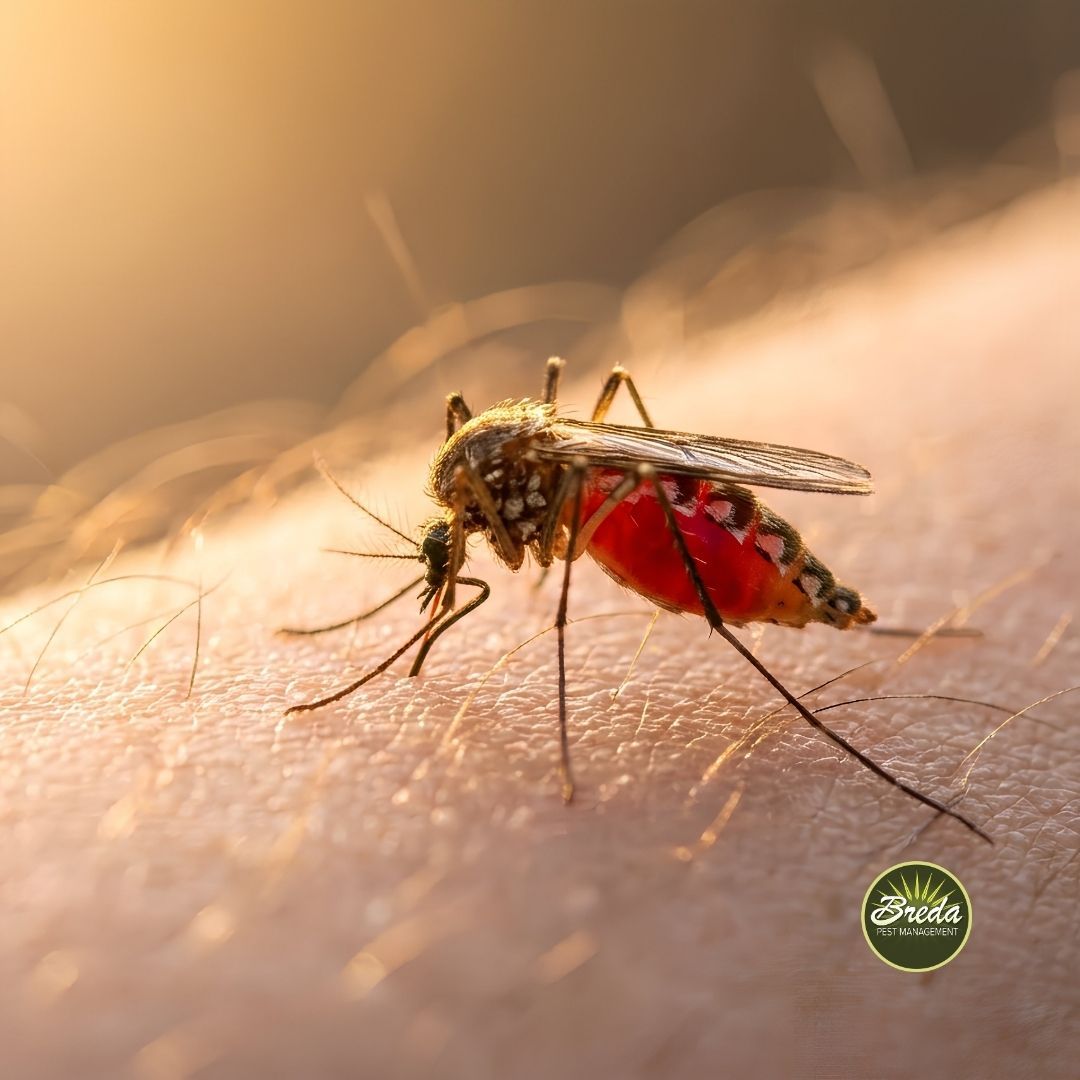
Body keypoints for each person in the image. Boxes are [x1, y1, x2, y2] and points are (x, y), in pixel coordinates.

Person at [1, 185, 1076, 1079]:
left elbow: (546, 527)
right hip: (617, 492)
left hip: (666, 511)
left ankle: (801, 634)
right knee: (599, 467)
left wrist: (661, 485)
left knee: (603, 488)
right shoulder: (475, 490)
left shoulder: (512, 484)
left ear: (465, 508)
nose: (461, 550)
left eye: (457, 537)